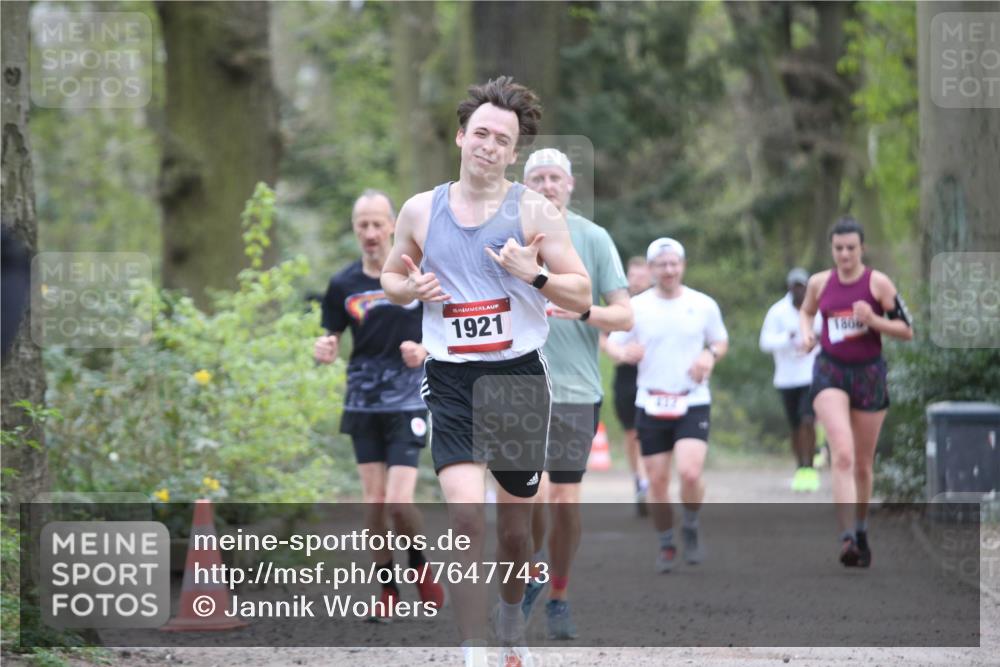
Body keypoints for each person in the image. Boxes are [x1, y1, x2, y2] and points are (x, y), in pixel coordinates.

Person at [380, 77, 591, 667]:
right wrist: (409, 288)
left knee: (515, 537)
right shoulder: (421, 209)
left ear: (514, 150)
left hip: (518, 378)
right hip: (450, 378)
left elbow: (581, 294)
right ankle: (473, 645)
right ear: (460, 137)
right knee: (467, 517)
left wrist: (536, 275)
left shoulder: (535, 210)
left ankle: (510, 621)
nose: (490, 146)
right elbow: (392, 279)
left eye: (503, 138)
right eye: (481, 134)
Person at [313, 190, 445, 620]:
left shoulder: (418, 274)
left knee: (398, 504)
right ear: (355, 229)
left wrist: (424, 351)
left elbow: (448, 331)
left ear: (392, 225)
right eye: (362, 225)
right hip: (363, 401)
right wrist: (325, 348)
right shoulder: (342, 284)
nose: (370, 233)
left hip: (407, 399)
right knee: (373, 504)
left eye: (377, 224)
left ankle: (420, 567)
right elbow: (330, 335)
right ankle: (387, 588)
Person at [519, 148, 633, 639]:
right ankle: (532, 569)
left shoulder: (592, 238)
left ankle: (559, 594)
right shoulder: (506, 233)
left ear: (570, 185)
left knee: (565, 500)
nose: (547, 185)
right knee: (533, 499)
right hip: (518, 387)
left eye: (555, 178)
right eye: (538, 178)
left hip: (575, 389)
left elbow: (625, 315)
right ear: (524, 185)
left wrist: (584, 312)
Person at [606, 238, 728, 573]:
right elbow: (612, 343)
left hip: (692, 400)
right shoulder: (638, 307)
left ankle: (689, 524)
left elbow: (720, 340)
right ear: (651, 269)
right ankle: (665, 542)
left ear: (683, 265)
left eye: (674, 263)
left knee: (690, 472)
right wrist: (622, 353)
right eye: (661, 264)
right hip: (651, 401)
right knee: (657, 481)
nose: (669, 269)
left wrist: (710, 354)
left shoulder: (703, 304)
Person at [799, 216, 913, 568]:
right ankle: (846, 536)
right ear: (831, 249)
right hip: (830, 370)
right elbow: (807, 311)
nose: (844, 254)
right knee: (843, 454)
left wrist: (874, 321)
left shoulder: (878, 283)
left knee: (863, 464)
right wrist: (806, 333)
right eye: (838, 248)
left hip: (869, 375)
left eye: (851, 248)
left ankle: (861, 529)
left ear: (862, 248)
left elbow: (907, 330)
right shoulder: (820, 283)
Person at [759, 267, 822, 492]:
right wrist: (788, 337)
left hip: (811, 374)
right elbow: (765, 342)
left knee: (808, 420)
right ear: (789, 288)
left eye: (802, 286)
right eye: (795, 286)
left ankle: (810, 466)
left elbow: (827, 336)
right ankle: (800, 467)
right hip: (786, 378)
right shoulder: (777, 312)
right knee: (795, 425)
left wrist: (816, 341)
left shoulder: (818, 309)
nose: (799, 290)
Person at [601, 256, 654, 515]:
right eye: (633, 275)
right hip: (627, 375)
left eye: (643, 274)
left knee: (654, 432)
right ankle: (640, 480)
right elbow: (602, 336)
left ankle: (652, 480)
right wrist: (619, 353)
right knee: (633, 433)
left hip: (656, 375)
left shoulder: (663, 303)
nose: (638, 279)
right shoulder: (619, 302)